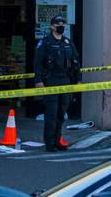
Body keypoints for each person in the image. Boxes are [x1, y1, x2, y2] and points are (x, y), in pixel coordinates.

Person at [33, 15, 80, 151]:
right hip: (51, 80)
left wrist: (78, 79)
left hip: (65, 80)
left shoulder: (67, 42)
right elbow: (38, 63)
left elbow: (75, 61)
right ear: (52, 26)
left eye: (63, 24)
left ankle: (57, 140)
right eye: (58, 24)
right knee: (51, 114)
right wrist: (38, 80)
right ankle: (50, 143)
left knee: (61, 114)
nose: (61, 26)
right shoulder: (46, 42)